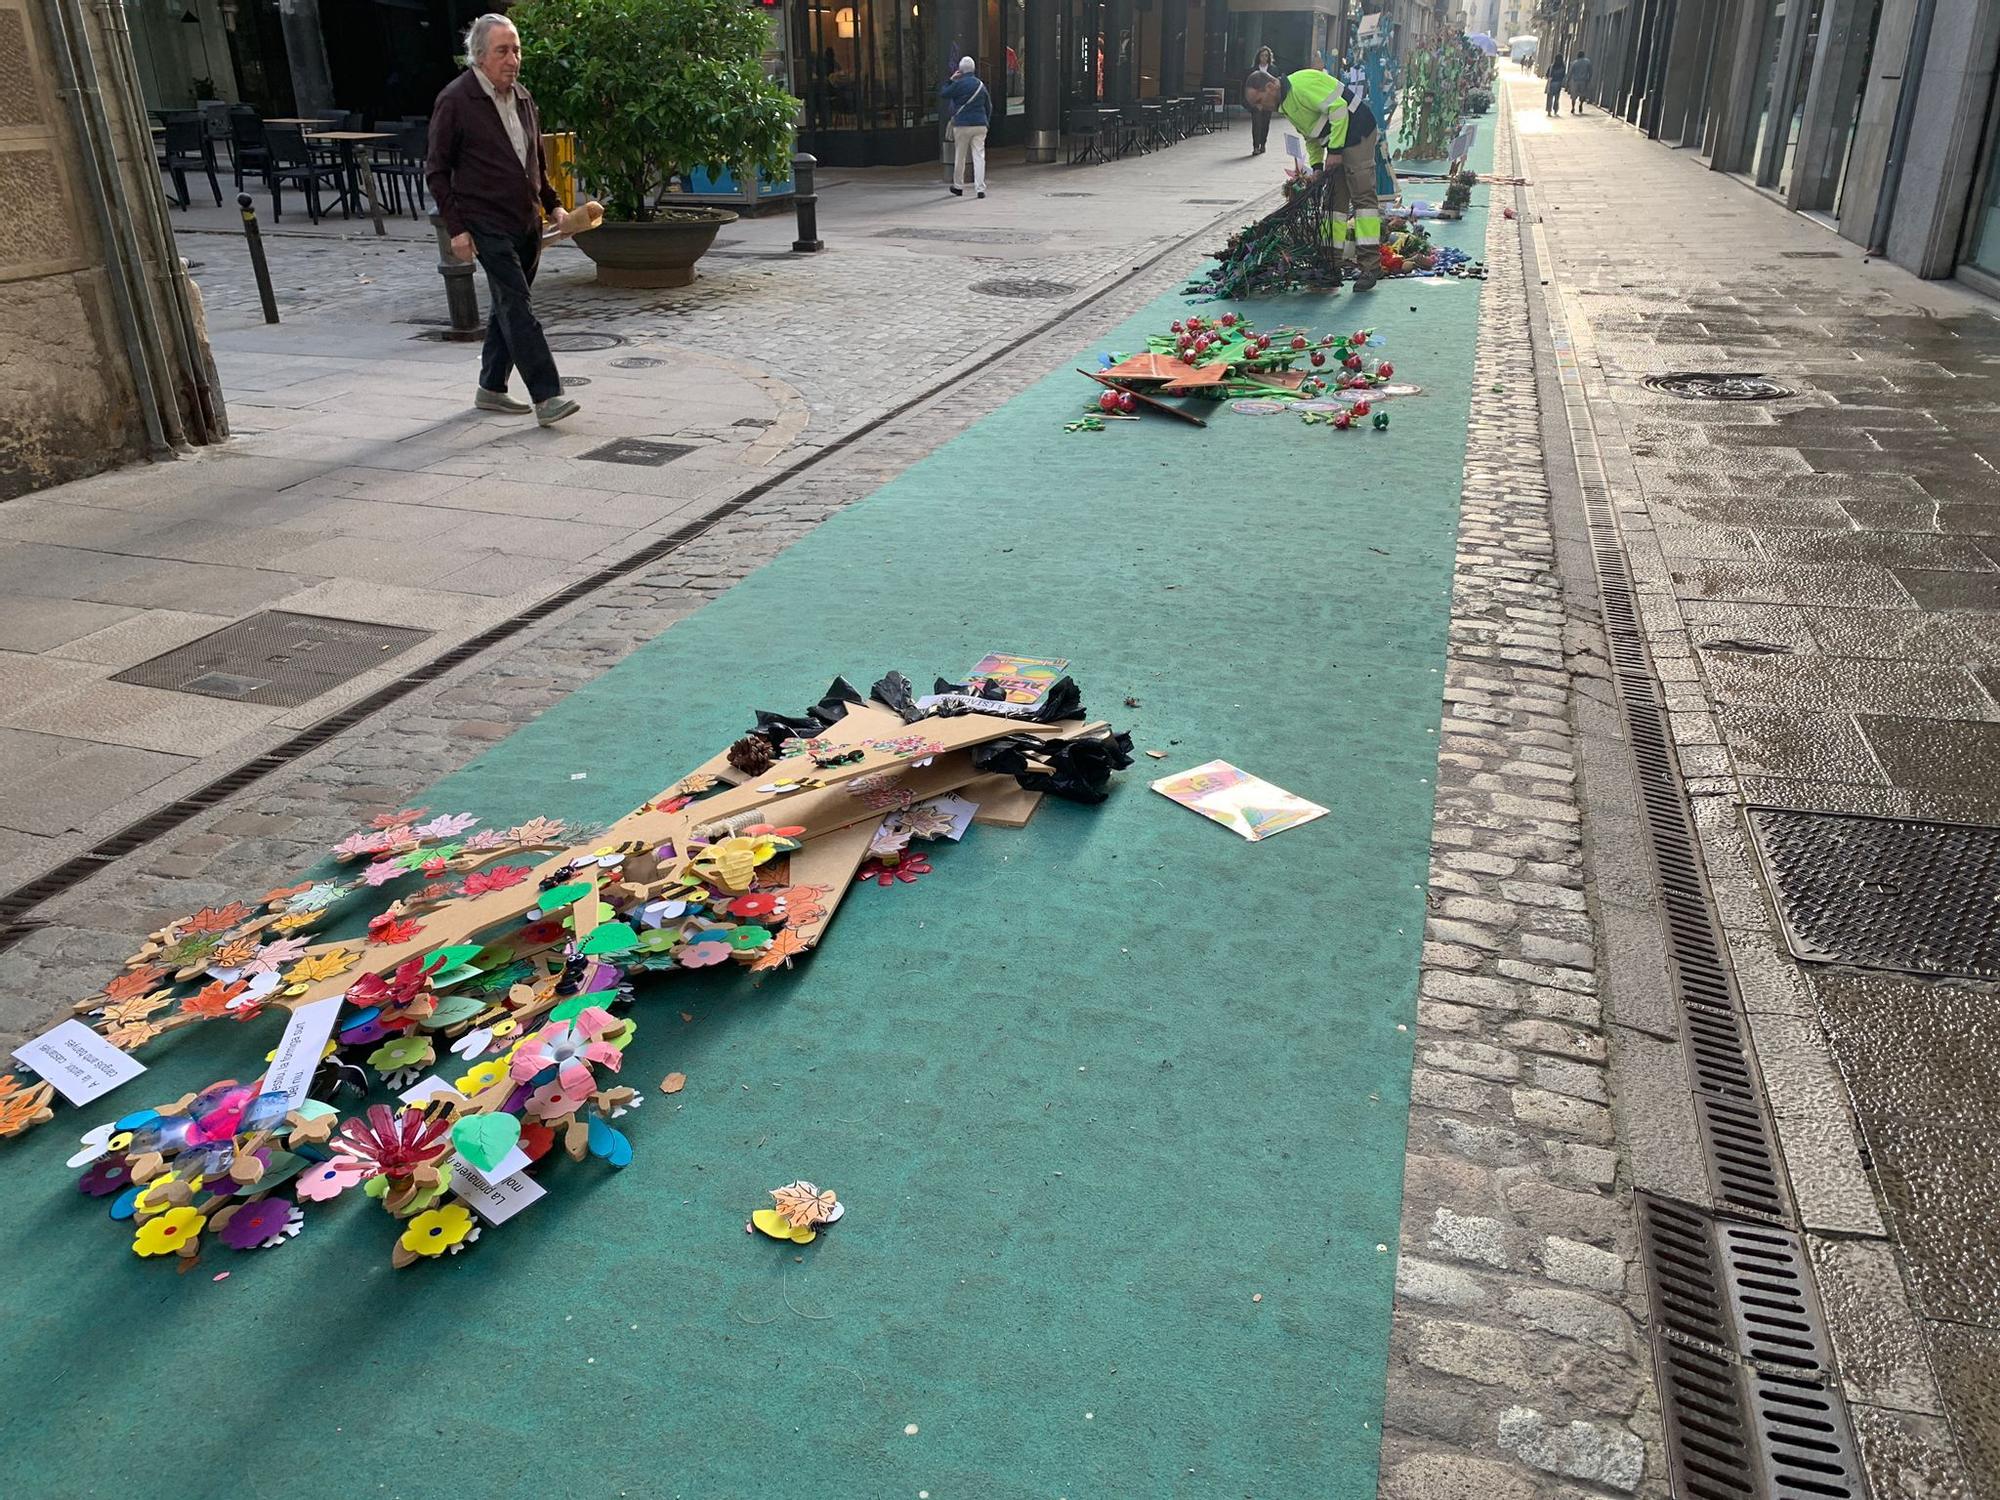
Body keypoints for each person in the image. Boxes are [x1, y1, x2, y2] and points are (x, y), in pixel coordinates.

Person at [426, 13, 577, 426]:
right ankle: (548, 396)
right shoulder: (456, 101)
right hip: (484, 221)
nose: (513, 59)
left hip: (524, 221)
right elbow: (437, 170)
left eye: (516, 50)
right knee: (517, 305)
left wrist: (555, 205)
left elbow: (536, 165)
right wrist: (457, 228)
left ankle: (491, 387)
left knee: (507, 308)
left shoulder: (524, 98)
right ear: (479, 56)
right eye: (502, 51)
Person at [1243, 66, 1382, 291]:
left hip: (1358, 132)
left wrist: (1335, 151)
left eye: (1260, 100)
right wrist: (1317, 167)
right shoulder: (1287, 104)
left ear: (1270, 86)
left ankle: (1371, 266)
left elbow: (1339, 110)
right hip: (1339, 137)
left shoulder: (1301, 86)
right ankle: (1333, 263)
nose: (1260, 107)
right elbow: (1311, 136)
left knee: (1362, 197)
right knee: (1335, 202)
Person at [941, 56, 990, 199]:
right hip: (980, 124)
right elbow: (989, 106)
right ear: (974, 69)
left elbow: (943, 93)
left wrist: (951, 79)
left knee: (960, 156)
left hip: (962, 125)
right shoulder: (981, 85)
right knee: (979, 156)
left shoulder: (958, 84)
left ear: (961, 71)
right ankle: (980, 188)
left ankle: (958, 186)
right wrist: (986, 121)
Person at [1247, 45, 1277, 155]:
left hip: (1268, 102)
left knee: (1265, 124)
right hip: (1256, 102)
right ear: (1258, 57)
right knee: (1256, 123)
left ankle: (1263, 143)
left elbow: (1276, 86)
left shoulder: (1273, 70)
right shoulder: (1253, 70)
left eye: (1266, 55)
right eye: (1262, 55)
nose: (1264, 57)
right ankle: (1255, 146)